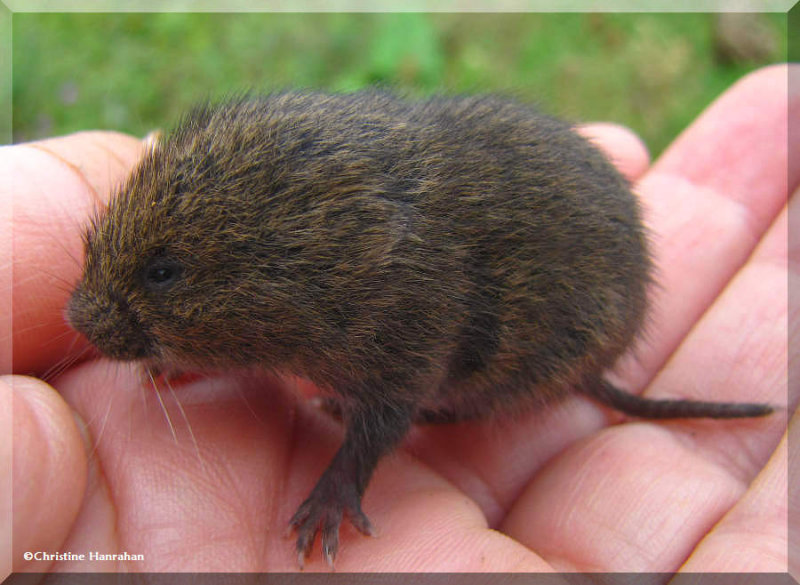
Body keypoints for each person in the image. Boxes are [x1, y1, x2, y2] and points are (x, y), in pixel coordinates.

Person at [1, 64, 792, 574]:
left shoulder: (385, 294)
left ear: (323, 262)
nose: (83, 311)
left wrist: (343, 478)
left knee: (420, 378)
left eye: (163, 276)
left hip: (553, 336)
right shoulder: (326, 270)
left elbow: (395, 387)